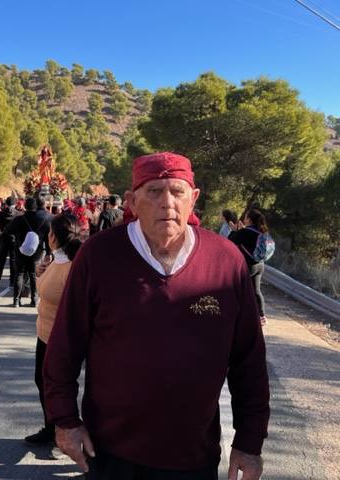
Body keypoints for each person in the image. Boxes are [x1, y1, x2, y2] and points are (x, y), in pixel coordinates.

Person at [43, 152, 269, 479]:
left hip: (194, 455)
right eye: (154, 191)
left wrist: (250, 441)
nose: (167, 203)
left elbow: (249, 359)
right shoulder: (99, 254)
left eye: (177, 192)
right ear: (133, 201)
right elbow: (64, 345)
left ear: (193, 199)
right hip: (109, 453)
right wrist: (64, 420)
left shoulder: (226, 261)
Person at [25, 213, 82, 445]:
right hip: (45, 332)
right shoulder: (55, 259)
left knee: (57, 384)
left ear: (53, 236)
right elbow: (48, 288)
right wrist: (41, 272)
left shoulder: (73, 266)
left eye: (49, 232)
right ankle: (53, 426)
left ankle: (65, 429)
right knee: (43, 380)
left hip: (60, 337)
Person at [4, 197, 52, 307]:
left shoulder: (19, 219)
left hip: (20, 249)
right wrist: (48, 252)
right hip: (36, 251)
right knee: (33, 274)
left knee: (19, 274)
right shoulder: (42, 219)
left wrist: (17, 237)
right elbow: (46, 237)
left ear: (25, 206)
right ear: (36, 206)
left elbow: (7, 231)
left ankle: (16, 300)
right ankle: (34, 299)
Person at [228, 209, 270, 326]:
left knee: (236, 288)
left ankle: (237, 313)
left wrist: (234, 231)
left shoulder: (245, 232)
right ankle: (262, 316)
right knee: (256, 290)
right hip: (260, 265)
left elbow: (230, 242)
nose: (244, 219)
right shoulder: (261, 232)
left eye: (246, 217)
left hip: (248, 265)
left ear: (249, 220)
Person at [0, 197, 19, 288]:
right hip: (14, 239)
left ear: (6, 204)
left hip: (4, 238)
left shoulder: (0, 214)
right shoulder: (18, 214)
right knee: (13, 261)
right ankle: (12, 282)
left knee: (1, 261)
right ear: (15, 204)